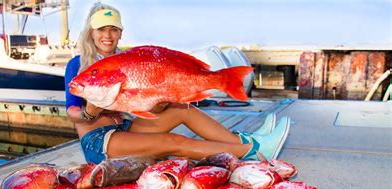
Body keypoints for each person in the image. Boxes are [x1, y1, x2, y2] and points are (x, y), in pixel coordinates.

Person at [65, 3, 290, 165]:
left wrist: (161, 101)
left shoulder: (125, 61)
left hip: (124, 129)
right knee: (174, 142)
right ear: (91, 32)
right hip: (99, 144)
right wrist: (89, 113)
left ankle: (244, 140)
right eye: (102, 29)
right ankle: (251, 151)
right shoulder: (79, 65)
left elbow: (147, 107)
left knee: (182, 108)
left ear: (120, 33)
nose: (108, 35)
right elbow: (72, 113)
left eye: (113, 29)